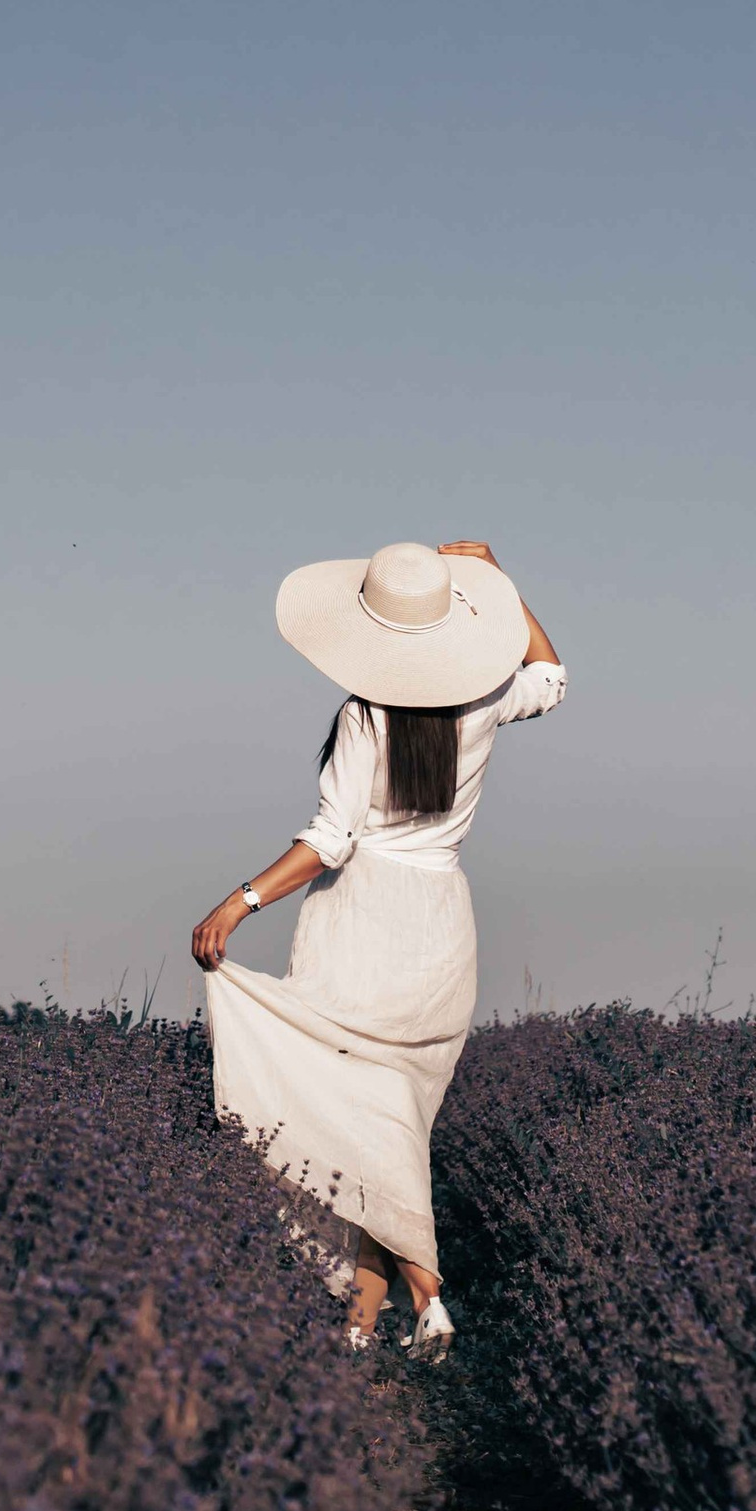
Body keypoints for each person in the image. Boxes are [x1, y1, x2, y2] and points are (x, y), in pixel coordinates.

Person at [192, 536, 563, 1358]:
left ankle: (425, 1294)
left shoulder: (366, 715)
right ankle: (362, 1330)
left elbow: (332, 839)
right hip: (440, 929)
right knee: (392, 1126)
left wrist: (240, 901)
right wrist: (502, 585)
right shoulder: (484, 699)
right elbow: (550, 676)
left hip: (361, 923)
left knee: (354, 1120)